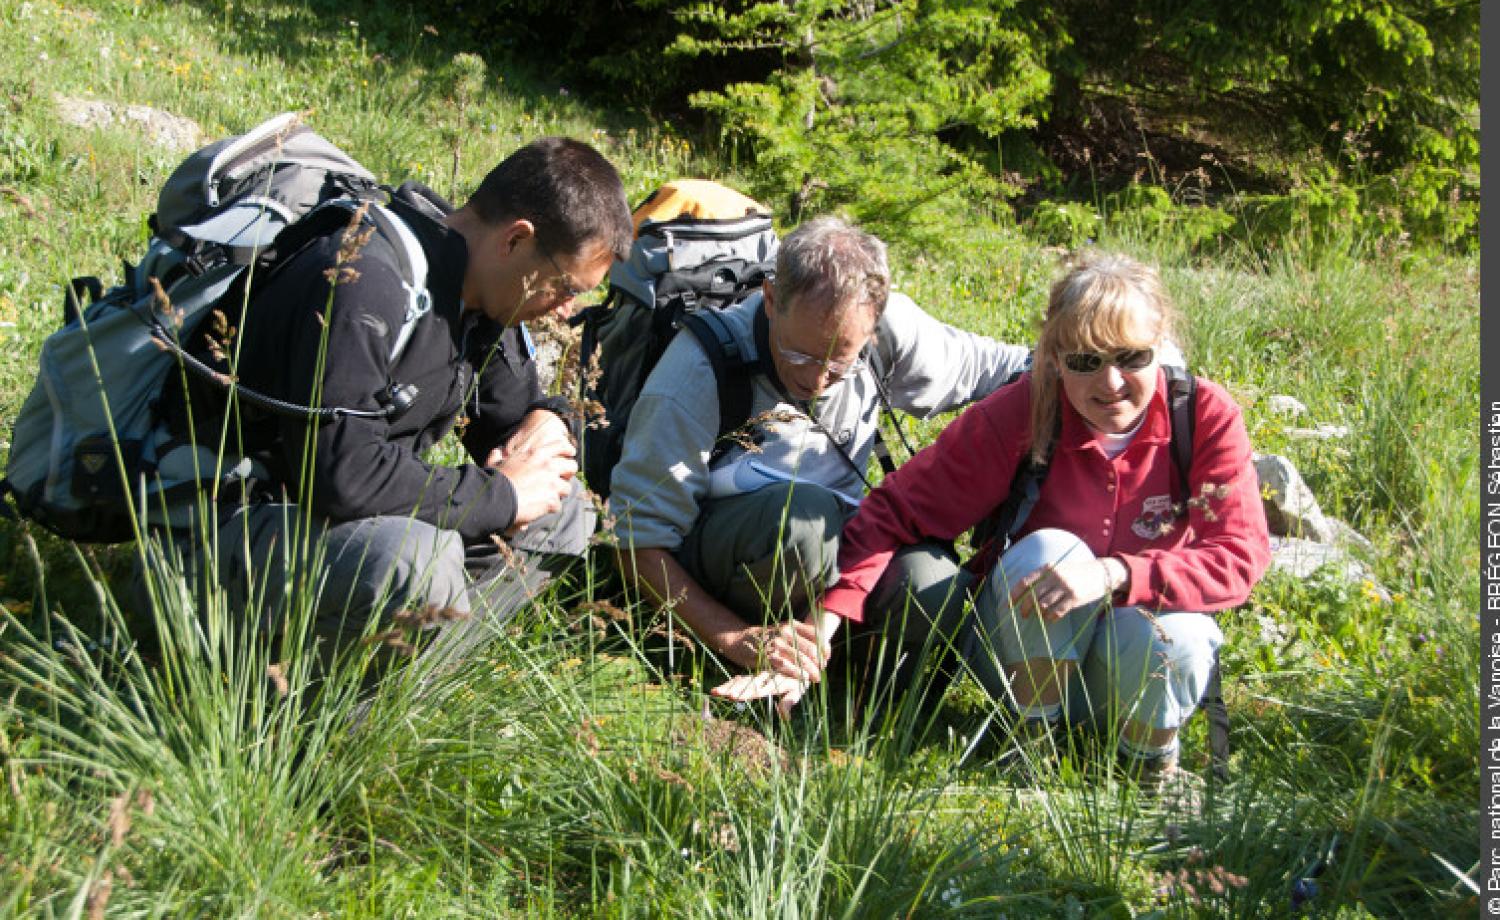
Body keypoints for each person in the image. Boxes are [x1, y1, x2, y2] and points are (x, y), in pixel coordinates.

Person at [146, 137, 633, 666]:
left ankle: (394, 697)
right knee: (419, 564)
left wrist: (549, 418)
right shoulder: (363, 278)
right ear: (516, 240)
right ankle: (290, 713)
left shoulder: (484, 295)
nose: (565, 310)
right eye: (564, 287)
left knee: (565, 514)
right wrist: (501, 497)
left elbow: (513, 422)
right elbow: (343, 477)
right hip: (212, 536)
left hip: (320, 530)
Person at [791, 253, 1270, 781]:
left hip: (1133, 665)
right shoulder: (1026, 409)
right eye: (1086, 361)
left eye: (1131, 358)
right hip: (1018, 652)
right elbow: (896, 509)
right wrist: (822, 624)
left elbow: (1239, 558)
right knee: (1050, 551)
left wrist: (1115, 575)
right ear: (1054, 358)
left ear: (1160, 347)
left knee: (1176, 633)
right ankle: (1031, 746)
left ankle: (1151, 770)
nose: (1111, 382)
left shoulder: (1203, 416)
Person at [607, 216, 1032, 695]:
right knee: (804, 523)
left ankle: (844, 687)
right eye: (800, 354)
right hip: (731, 552)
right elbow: (635, 542)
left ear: (873, 325)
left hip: (838, 551)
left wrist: (1091, 369)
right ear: (770, 300)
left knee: (933, 582)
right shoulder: (701, 366)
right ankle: (749, 657)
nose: (816, 379)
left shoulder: (888, 333)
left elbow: (1016, 368)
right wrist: (736, 638)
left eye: (839, 363)